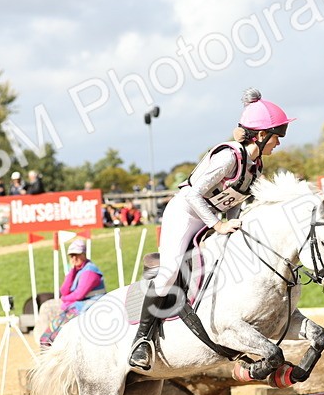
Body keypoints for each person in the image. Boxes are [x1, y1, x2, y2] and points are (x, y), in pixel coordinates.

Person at [127, 87, 293, 370]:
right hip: (185, 214)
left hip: (210, 217)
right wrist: (218, 224)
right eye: (277, 136)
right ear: (261, 135)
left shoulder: (255, 166)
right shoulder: (229, 157)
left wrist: (234, 226)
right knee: (169, 272)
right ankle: (141, 340)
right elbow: (192, 194)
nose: (278, 143)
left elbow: (234, 201)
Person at [37, 239, 107, 348]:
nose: (74, 258)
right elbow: (64, 290)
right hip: (78, 306)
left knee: (55, 337)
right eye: (71, 256)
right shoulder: (77, 270)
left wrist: (64, 298)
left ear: (84, 254)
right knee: (46, 338)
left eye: (77, 255)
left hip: (89, 307)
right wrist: (72, 271)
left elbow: (79, 295)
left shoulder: (90, 271)